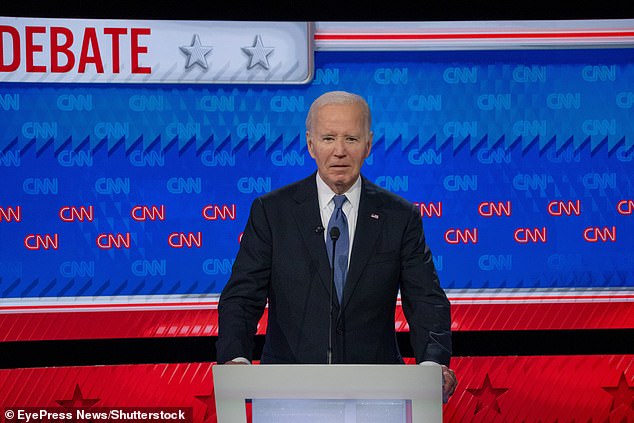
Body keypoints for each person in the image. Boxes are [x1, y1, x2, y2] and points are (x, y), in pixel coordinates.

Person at [216, 90, 457, 400]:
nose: (339, 151)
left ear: (368, 144)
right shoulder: (273, 212)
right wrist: (236, 359)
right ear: (310, 144)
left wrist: (432, 363)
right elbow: (242, 296)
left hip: (378, 392)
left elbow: (426, 300)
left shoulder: (400, 217)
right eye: (328, 138)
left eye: (351, 139)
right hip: (288, 391)